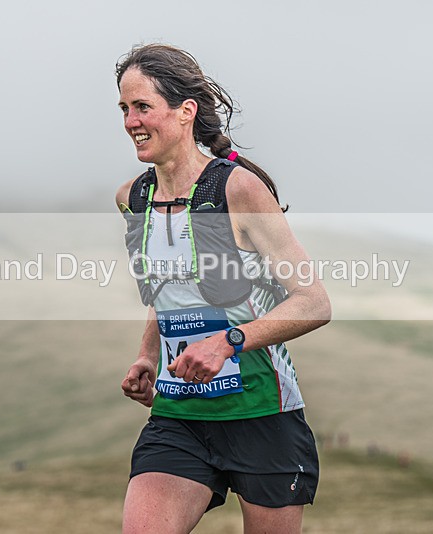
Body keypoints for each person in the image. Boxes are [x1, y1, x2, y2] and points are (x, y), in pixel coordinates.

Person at [114, 43, 332, 534]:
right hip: (180, 414)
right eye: (125, 109)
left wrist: (227, 341)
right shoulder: (134, 197)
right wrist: (148, 356)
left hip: (262, 411)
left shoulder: (236, 189)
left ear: (185, 111)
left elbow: (314, 302)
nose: (130, 121)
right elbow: (168, 290)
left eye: (143, 106)